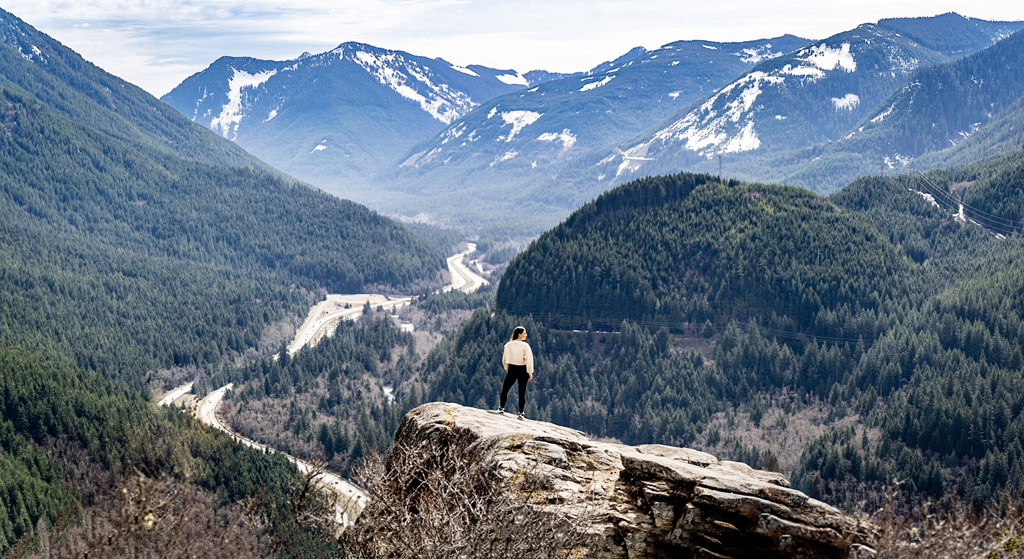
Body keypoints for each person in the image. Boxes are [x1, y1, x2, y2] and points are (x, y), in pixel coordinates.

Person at [497, 326, 534, 420]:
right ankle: (521, 414)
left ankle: (501, 408)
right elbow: (529, 360)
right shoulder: (525, 346)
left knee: (505, 389)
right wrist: (529, 372)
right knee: (522, 393)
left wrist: (507, 369)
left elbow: (504, 359)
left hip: (512, 369)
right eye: (524, 333)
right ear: (519, 334)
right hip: (523, 369)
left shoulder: (508, 345)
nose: (526, 335)